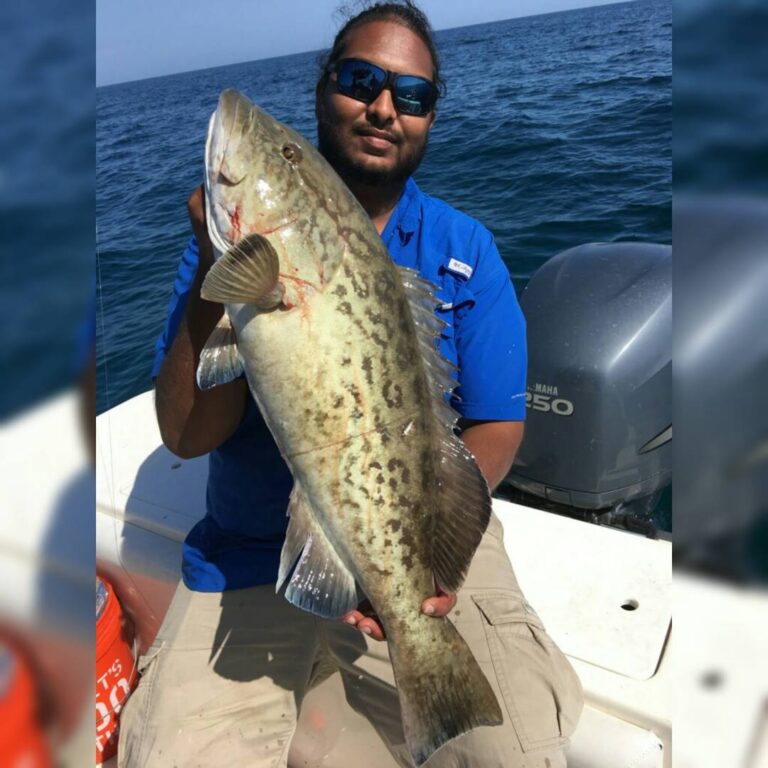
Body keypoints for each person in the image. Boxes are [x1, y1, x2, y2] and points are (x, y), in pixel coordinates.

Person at [118, 2, 583, 766]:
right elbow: (186, 433)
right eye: (360, 80)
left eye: (412, 94)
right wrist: (213, 263)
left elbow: (496, 427)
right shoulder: (228, 253)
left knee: (514, 753)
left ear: (430, 116)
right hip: (247, 555)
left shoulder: (464, 249)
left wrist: (428, 557)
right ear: (323, 86)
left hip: (424, 547)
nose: (383, 107)